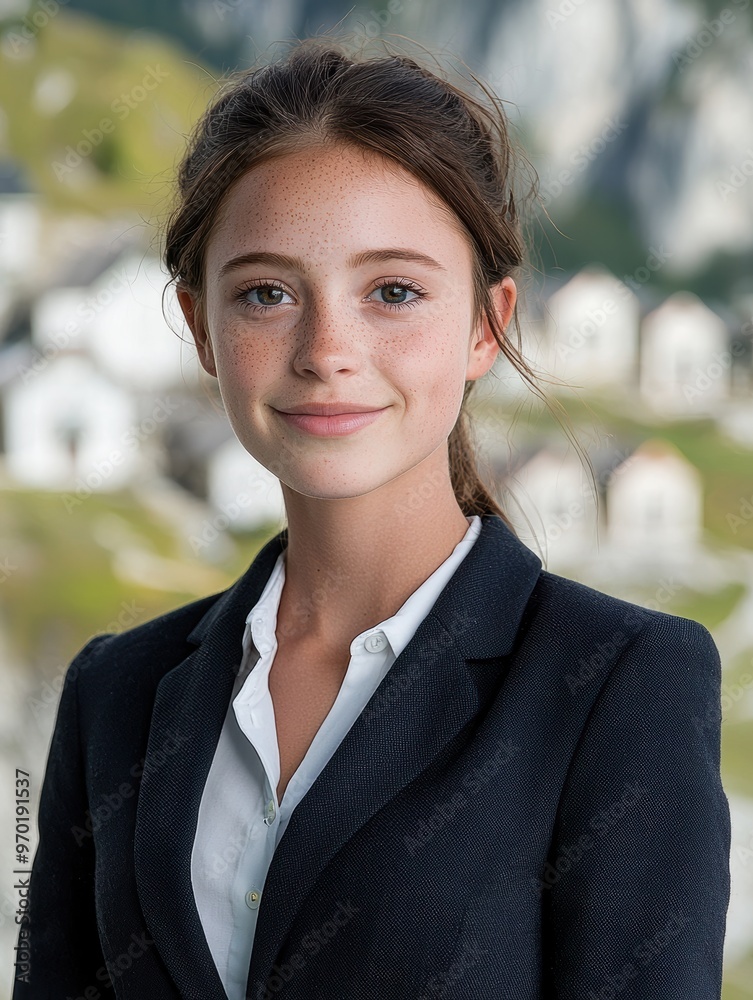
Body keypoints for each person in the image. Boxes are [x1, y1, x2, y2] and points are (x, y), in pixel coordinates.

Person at [13, 34, 731, 1000]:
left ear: (487, 323)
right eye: (266, 293)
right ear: (199, 328)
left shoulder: (618, 685)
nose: (327, 349)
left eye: (393, 291)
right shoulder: (117, 693)